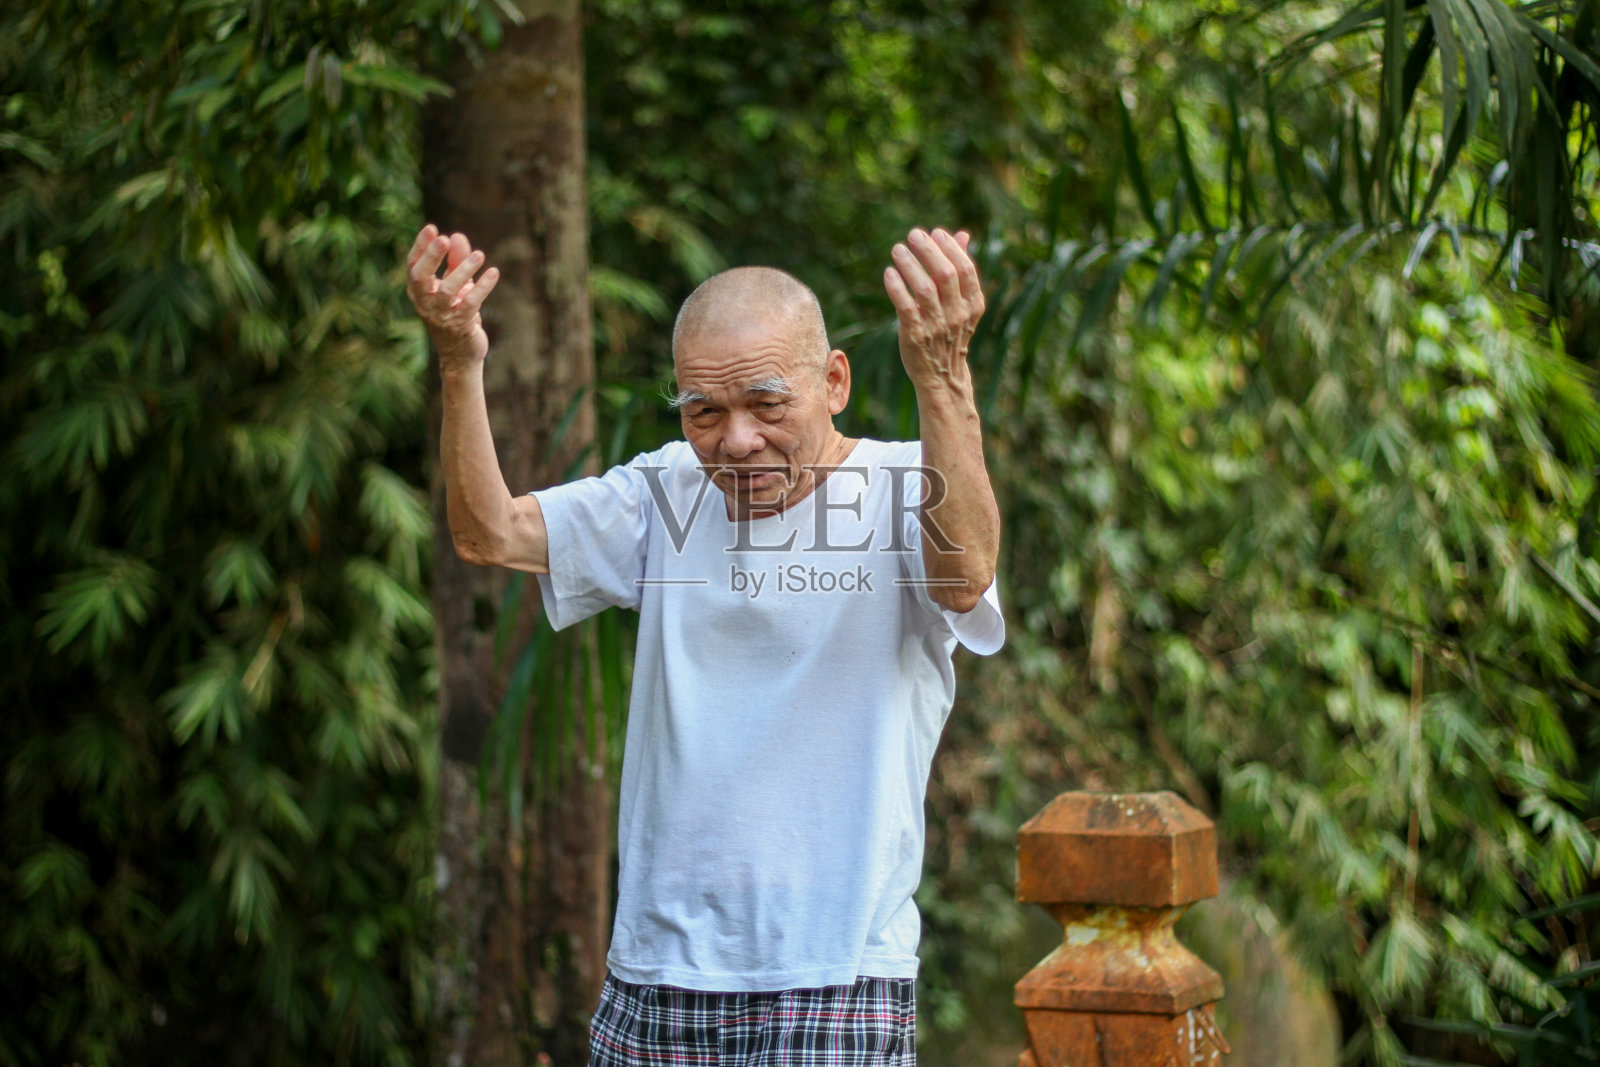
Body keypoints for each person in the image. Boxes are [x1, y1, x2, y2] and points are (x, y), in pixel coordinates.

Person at [406, 222, 1004, 1066]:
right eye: (704, 411)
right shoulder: (665, 492)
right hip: (656, 975)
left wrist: (942, 374)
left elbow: (964, 577)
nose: (736, 439)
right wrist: (460, 361)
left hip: (836, 974)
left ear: (833, 381)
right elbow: (488, 532)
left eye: (767, 403)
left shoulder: (906, 485)